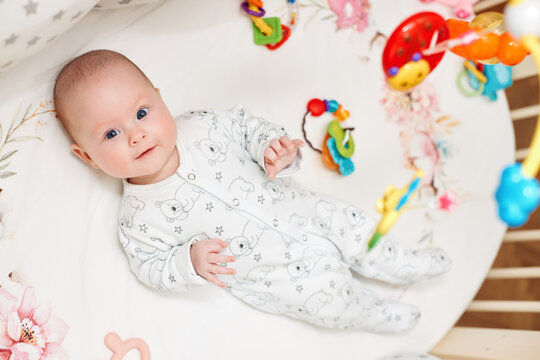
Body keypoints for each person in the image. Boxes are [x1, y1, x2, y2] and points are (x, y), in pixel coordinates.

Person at [54, 49, 451, 332]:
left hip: (308, 212)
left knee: (361, 230)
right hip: (278, 275)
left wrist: (272, 148)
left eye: (141, 113)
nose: (137, 134)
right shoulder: (138, 218)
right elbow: (149, 266)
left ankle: (405, 263)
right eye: (111, 133)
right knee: (330, 303)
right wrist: (187, 262)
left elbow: (248, 127)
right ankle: (373, 313)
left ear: (160, 98)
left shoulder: (204, 125)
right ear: (87, 157)